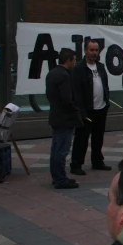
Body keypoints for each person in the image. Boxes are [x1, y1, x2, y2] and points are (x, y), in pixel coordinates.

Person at [71, 39, 111, 175]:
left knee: (98, 137)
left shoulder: (100, 66)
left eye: (96, 50)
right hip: (86, 110)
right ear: (85, 51)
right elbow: (76, 92)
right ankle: (76, 164)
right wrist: (81, 111)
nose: (94, 52)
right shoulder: (78, 68)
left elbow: (105, 84)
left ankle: (97, 161)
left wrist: (106, 102)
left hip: (101, 108)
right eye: (91, 50)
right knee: (81, 138)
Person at [45, 48, 81, 189]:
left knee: (56, 148)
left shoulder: (52, 73)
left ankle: (58, 176)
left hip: (56, 115)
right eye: (74, 60)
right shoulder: (64, 76)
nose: (74, 63)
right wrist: (75, 110)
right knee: (62, 149)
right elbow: (67, 99)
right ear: (68, 60)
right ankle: (60, 179)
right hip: (65, 118)